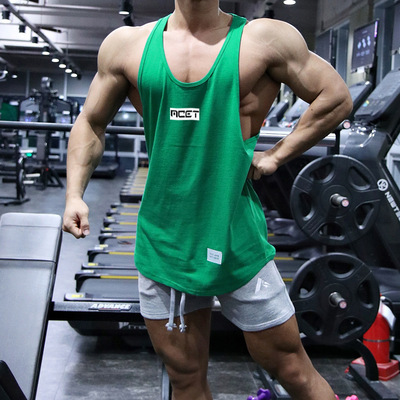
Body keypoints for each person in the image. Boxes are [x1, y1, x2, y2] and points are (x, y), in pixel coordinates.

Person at [62, 1, 353, 399]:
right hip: (165, 243)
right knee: (185, 379)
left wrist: (276, 156)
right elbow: (91, 122)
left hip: (236, 238)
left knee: (292, 368)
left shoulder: (264, 39)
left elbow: (335, 97)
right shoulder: (128, 45)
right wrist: (74, 195)